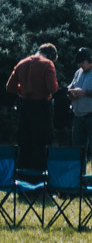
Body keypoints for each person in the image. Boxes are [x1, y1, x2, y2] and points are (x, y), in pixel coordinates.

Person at [8, 42, 61, 173]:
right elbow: (52, 88)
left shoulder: (22, 63)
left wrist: (23, 89)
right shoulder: (47, 64)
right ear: (50, 55)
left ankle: (23, 177)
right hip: (41, 107)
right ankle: (38, 179)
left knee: (24, 142)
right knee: (40, 143)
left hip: (25, 107)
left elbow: (10, 87)